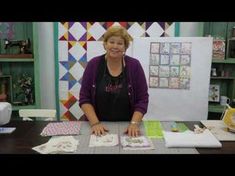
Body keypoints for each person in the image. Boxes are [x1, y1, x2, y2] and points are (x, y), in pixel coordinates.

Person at [79, 25, 149, 137]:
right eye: (111, 42)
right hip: (97, 126)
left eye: (120, 43)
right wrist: (95, 123)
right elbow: (84, 98)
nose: (115, 46)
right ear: (105, 44)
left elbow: (142, 99)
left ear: (125, 47)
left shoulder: (134, 65)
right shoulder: (93, 64)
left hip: (128, 127)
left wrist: (134, 123)